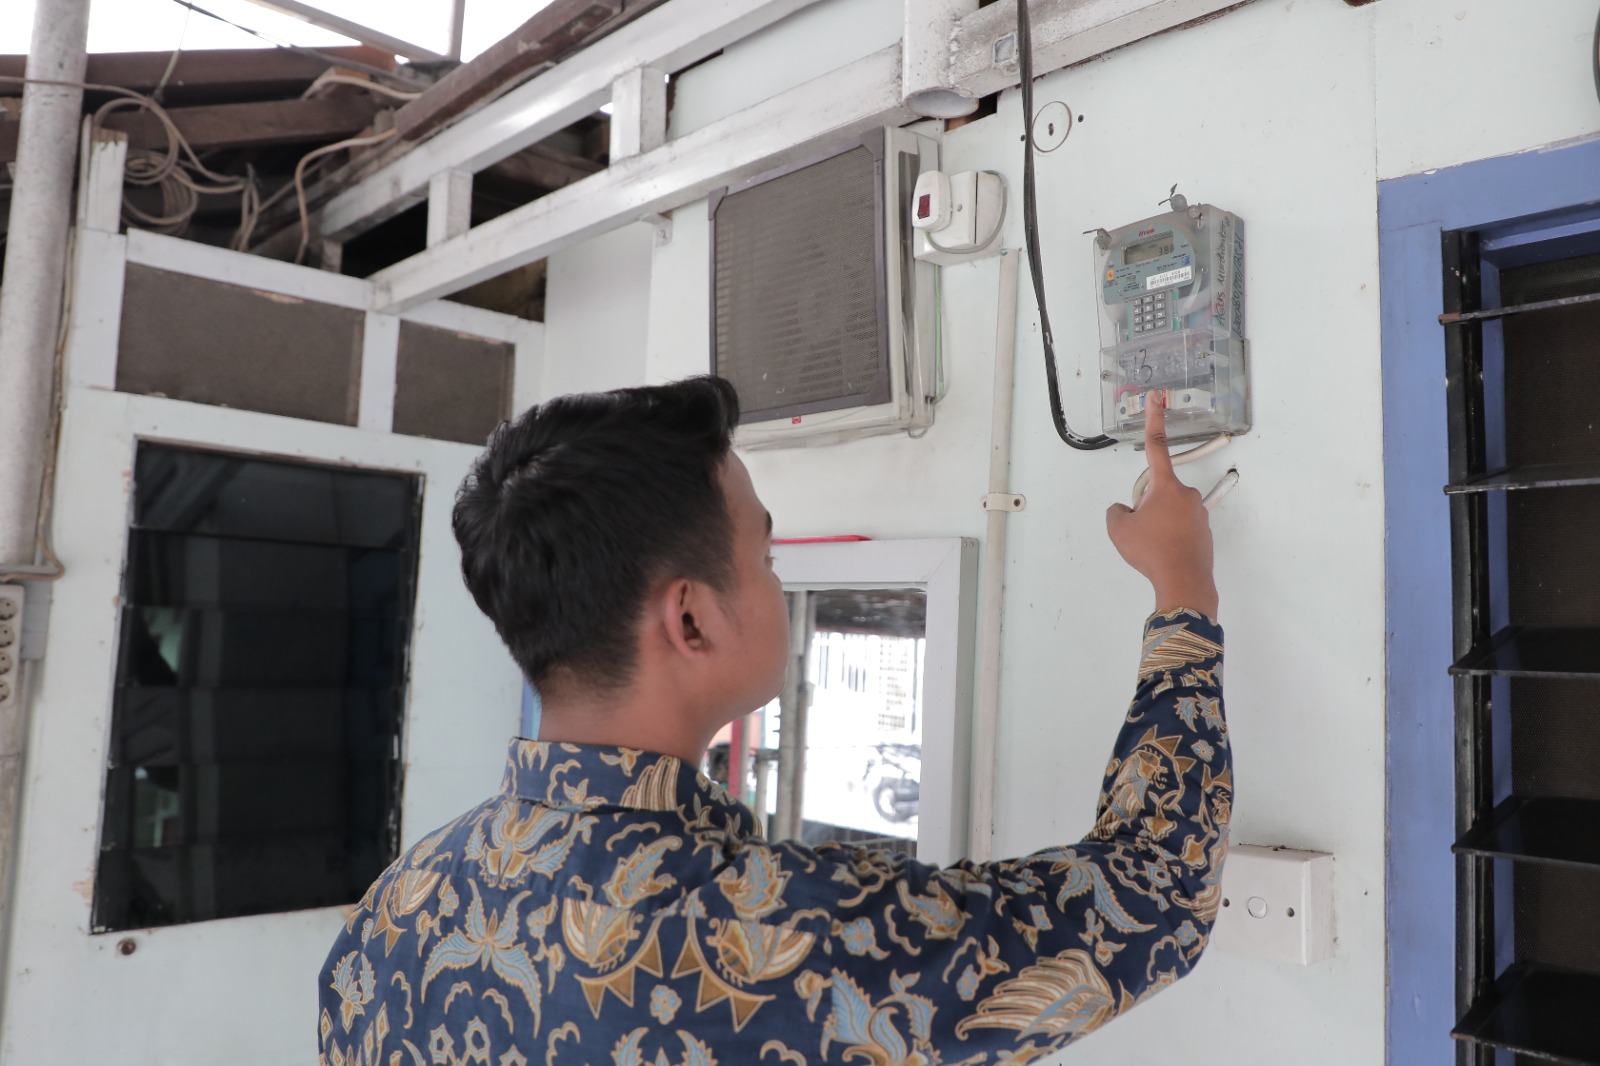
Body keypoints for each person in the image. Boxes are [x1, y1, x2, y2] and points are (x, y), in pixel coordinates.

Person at [317, 377, 1229, 1066]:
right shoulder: (773, 934)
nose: (776, 581)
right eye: (765, 553)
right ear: (691, 620)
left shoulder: (390, 919)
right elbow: (1154, 896)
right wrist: (1182, 587)